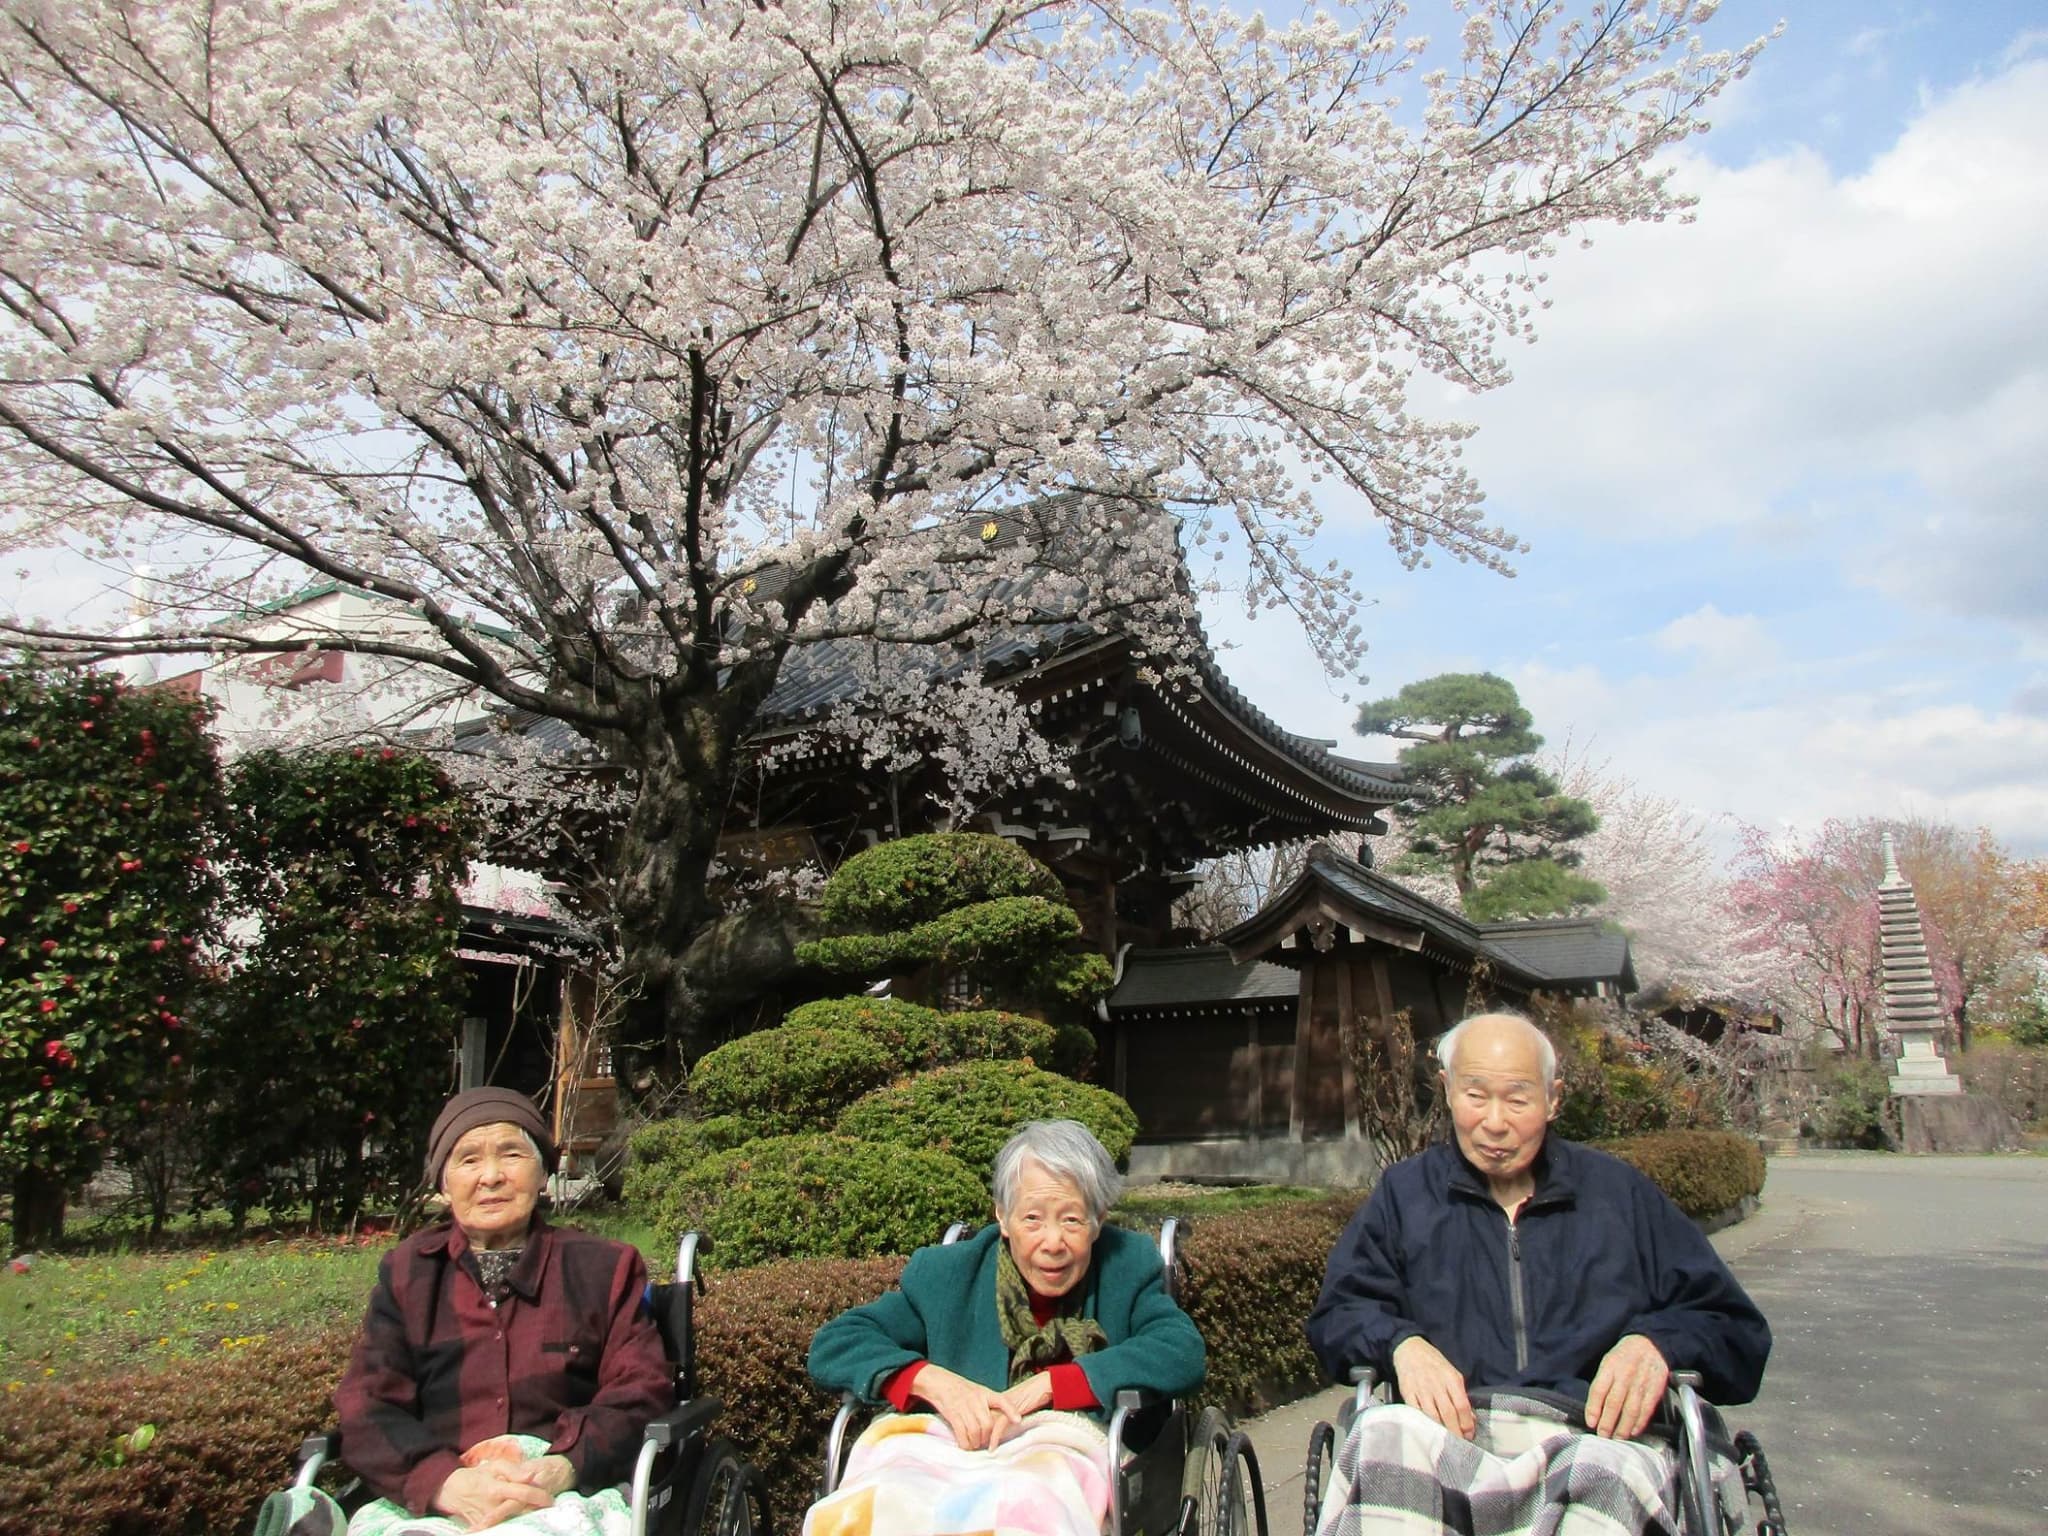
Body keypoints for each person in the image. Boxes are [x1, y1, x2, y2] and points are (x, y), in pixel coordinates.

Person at [1305, 1011, 1770, 1536]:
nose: (1495, 1122)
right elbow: (1338, 1316)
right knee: (1383, 1435)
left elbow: (1738, 1333)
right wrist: (1400, 1344)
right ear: (1447, 1090)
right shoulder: (1404, 1196)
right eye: (1475, 1096)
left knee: (1610, 1474)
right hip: (1452, 1433)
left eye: (1519, 1099)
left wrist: (1657, 1343)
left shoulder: (1619, 1196)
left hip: (1594, 1438)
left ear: (1553, 1099)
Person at [805, 1120, 1205, 1536]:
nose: (1053, 1242)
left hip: (1055, 1457)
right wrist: (929, 1381)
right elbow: (836, 1343)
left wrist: (1054, 1385)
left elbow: (1179, 1350)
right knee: (880, 1507)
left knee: (1027, 1511)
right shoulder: (948, 1276)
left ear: (1097, 1220)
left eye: (1071, 1220)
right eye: (1032, 1218)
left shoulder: (1127, 1267)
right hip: (941, 1456)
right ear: (1003, 1216)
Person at [330, 1087, 673, 1533]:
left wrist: (561, 1466)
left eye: (511, 1154)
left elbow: (641, 1389)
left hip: (559, 1491)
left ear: (543, 1174)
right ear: (443, 1183)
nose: (490, 1176)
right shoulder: (408, 1274)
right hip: (441, 1495)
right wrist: (445, 1483)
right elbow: (368, 1404)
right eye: (469, 1160)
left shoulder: (603, 1268)